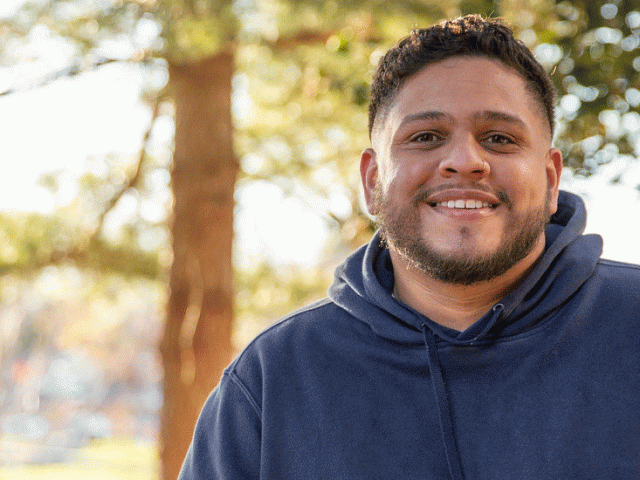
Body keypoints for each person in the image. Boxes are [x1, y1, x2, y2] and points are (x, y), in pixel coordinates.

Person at [179, 14, 640, 479]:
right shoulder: (272, 380)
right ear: (373, 181)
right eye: (425, 137)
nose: (464, 162)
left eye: (499, 138)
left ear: (550, 178)